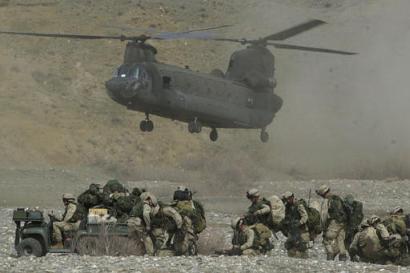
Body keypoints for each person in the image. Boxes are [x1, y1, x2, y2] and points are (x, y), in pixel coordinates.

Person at [316, 184, 348, 261]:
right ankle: (342, 257)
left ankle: (330, 255)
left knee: (326, 239)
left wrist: (322, 227)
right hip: (343, 223)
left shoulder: (327, 200)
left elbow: (324, 215)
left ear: (323, 193)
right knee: (340, 240)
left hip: (334, 222)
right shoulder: (338, 198)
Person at [281, 191, 310, 258]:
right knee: (290, 248)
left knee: (301, 249)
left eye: (289, 198)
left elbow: (305, 216)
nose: (288, 200)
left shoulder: (299, 205)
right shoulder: (287, 207)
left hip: (301, 230)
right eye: (286, 199)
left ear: (292, 197)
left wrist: (299, 223)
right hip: (292, 231)